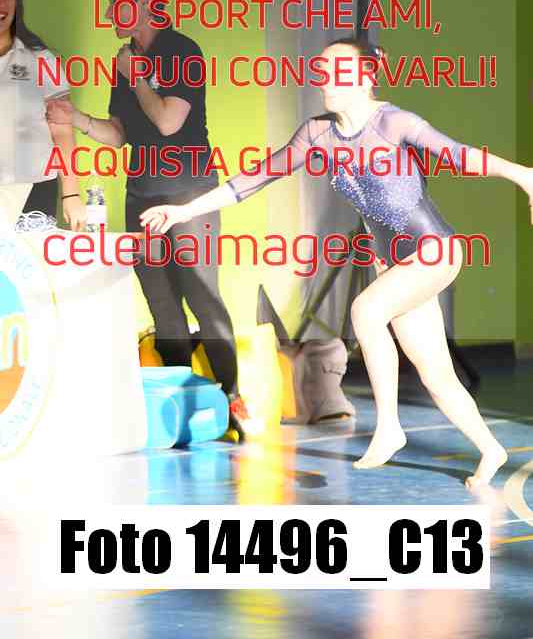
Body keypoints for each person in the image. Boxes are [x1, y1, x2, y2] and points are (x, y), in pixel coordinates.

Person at [139, 35, 533, 489]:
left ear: (365, 76)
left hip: (434, 250)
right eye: (322, 69)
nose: (325, 77)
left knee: (365, 310)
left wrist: (523, 175)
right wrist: (183, 211)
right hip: (395, 266)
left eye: (337, 69)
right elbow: (258, 176)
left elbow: (458, 155)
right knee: (436, 373)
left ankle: (389, 427)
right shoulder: (317, 134)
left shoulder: (394, 122)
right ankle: (491, 448)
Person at [45, 0, 256, 439]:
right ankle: (180, 403)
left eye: (115, 1)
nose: (108, 10)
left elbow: (167, 122)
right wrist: (76, 119)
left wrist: (137, 74)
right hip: (141, 196)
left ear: (143, 3)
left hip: (189, 196)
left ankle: (232, 398)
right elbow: (119, 134)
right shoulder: (125, 61)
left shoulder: (182, 50)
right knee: (162, 305)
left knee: (203, 297)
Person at [0, 0, 85, 228]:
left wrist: (71, 194)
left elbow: (62, 129)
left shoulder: (40, 58)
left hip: (34, 188)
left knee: (30, 256)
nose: (2, 3)